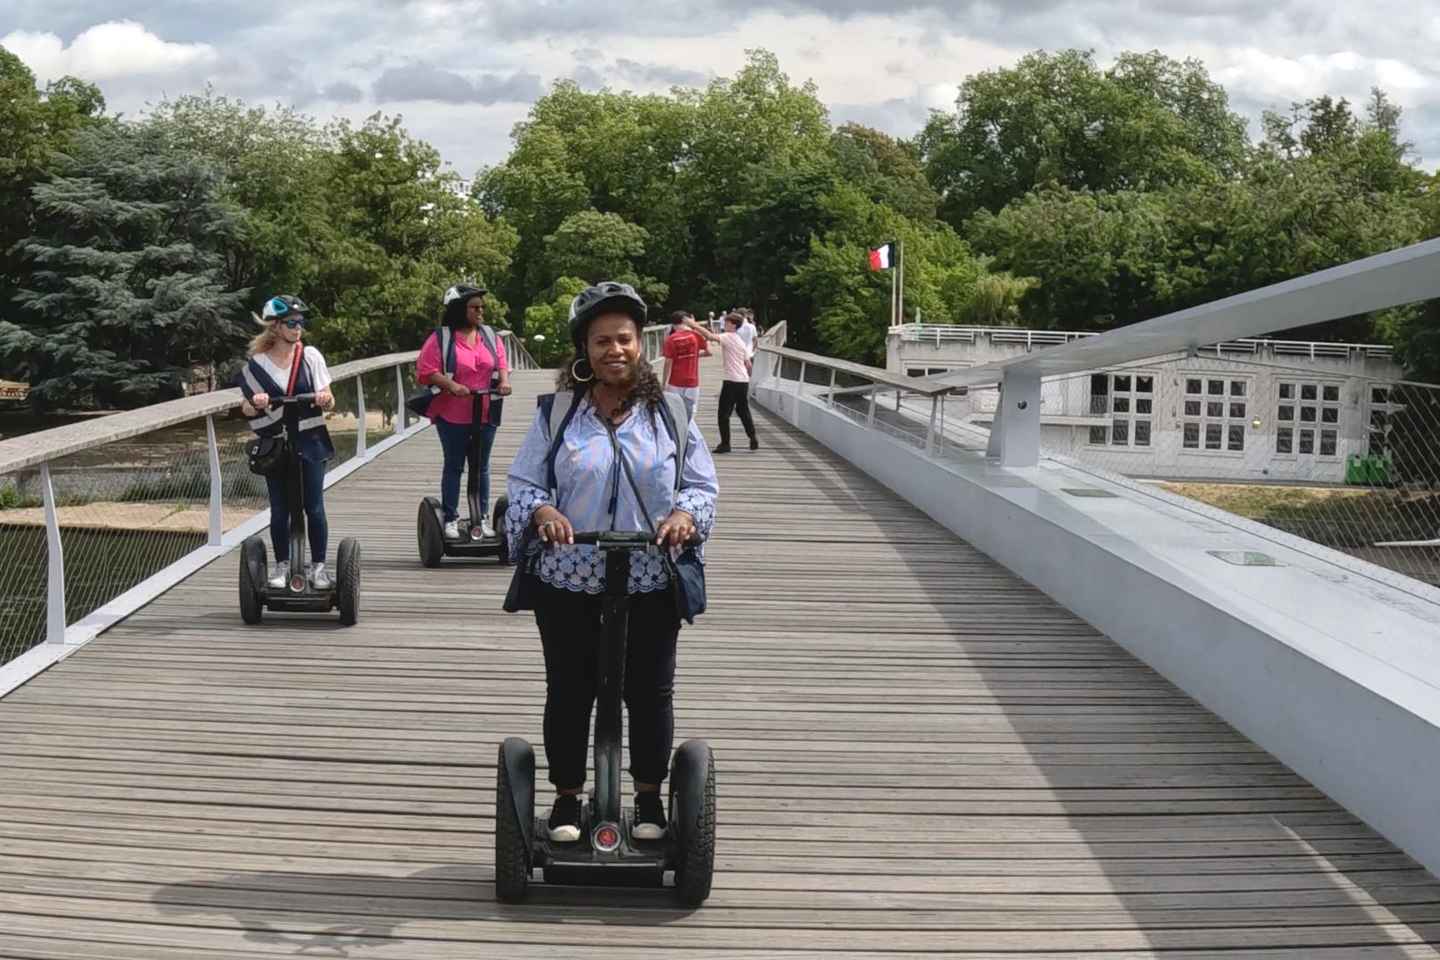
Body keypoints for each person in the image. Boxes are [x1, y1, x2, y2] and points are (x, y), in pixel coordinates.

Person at [505, 280, 718, 843]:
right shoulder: (557, 413)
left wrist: (685, 517)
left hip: (650, 574)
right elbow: (523, 481)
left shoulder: (669, 411)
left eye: (624, 339)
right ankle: (568, 800)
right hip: (569, 574)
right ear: (584, 349)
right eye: (601, 341)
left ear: (639, 345)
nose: (614, 350)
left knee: (649, 690)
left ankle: (649, 800)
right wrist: (543, 509)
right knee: (570, 689)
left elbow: (701, 485)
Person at [238, 295, 337, 589]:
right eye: (292, 323)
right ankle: (282, 565)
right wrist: (255, 402)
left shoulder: (311, 357)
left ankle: (318, 567)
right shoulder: (257, 366)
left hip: (310, 442)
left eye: (300, 323)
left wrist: (324, 398)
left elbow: (330, 399)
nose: (298, 328)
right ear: (276, 327)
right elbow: (244, 408)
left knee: (314, 507)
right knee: (280, 509)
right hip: (276, 447)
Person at [416, 283, 512, 540]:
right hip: (452, 413)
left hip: (485, 410)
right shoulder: (441, 338)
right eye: (475, 307)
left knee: (481, 467)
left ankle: (480, 516)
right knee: (455, 466)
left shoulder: (490, 335)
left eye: (482, 307)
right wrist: (452, 385)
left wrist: (503, 382)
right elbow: (426, 370)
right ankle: (450, 518)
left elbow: (501, 362)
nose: (481, 311)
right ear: (460, 309)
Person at [685, 312, 759, 453]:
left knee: (723, 414)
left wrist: (692, 324)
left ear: (733, 325)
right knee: (743, 410)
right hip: (743, 381)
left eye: (727, 322)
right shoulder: (740, 341)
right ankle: (752, 437)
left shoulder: (728, 337)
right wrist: (747, 377)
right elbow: (748, 364)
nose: (724, 324)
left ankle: (725, 444)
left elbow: (709, 336)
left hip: (731, 381)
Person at [661, 309, 709, 420]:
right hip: (692, 380)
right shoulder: (695, 335)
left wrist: (664, 383)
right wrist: (693, 355)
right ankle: (688, 433)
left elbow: (668, 362)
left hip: (675, 381)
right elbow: (708, 352)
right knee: (691, 412)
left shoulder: (671, 339)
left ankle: (680, 435)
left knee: (675, 412)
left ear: (673, 324)